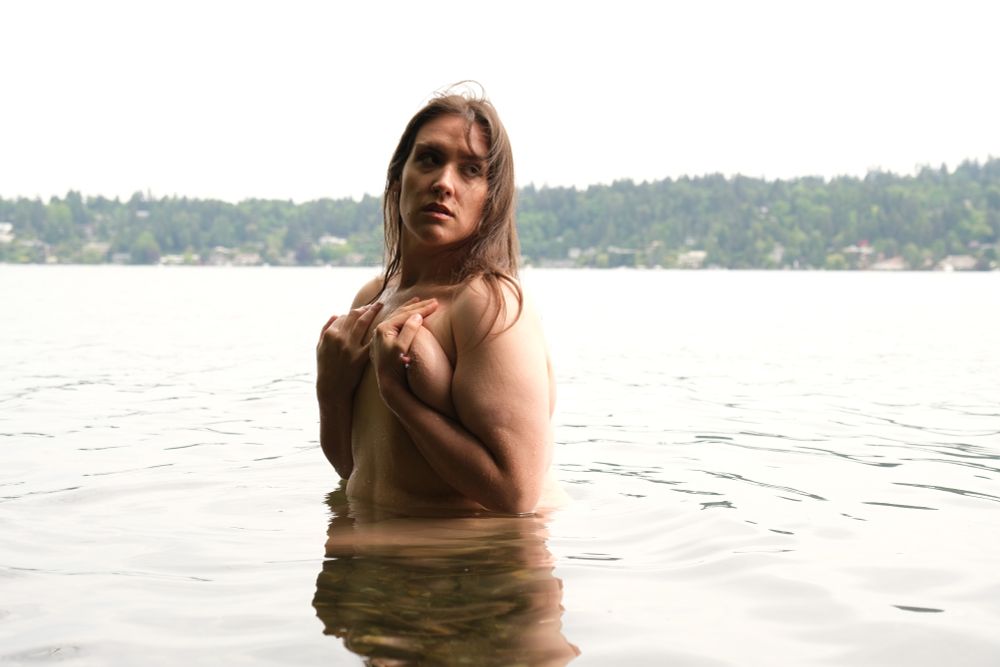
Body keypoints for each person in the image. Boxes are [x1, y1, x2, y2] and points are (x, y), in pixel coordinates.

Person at [315, 89, 559, 516]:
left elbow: (515, 494)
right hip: (375, 570)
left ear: (490, 199)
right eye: (429, 159)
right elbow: (357, 467)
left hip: (469, 569)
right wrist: (330, 391)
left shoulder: (489, 304)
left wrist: (399, 394)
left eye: (470, 170)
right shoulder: (373, 298)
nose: (444, 183)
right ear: (398, 177)